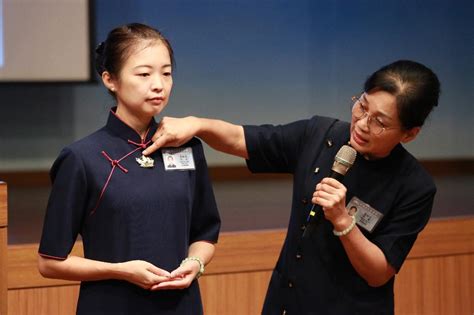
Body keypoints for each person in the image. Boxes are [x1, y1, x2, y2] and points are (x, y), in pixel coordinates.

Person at [142, 60, 440, 314]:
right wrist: (197, 125)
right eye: (362, 107)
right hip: (285, 303)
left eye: (380, 122)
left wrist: (343, 221)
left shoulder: (414, 186)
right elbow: (242, 139)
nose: (362, 124)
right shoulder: (320, 134)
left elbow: (379, 273)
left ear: (409, 134)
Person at [37, 23, 220, 315]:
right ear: (110, 80)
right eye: (144, 74)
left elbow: (205, 233)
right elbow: (49, 262)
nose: (158, 84)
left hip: (182, 305)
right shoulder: (81, 158)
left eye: (167, 73)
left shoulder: (187, 148)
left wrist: (195, 264)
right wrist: (122, 271)